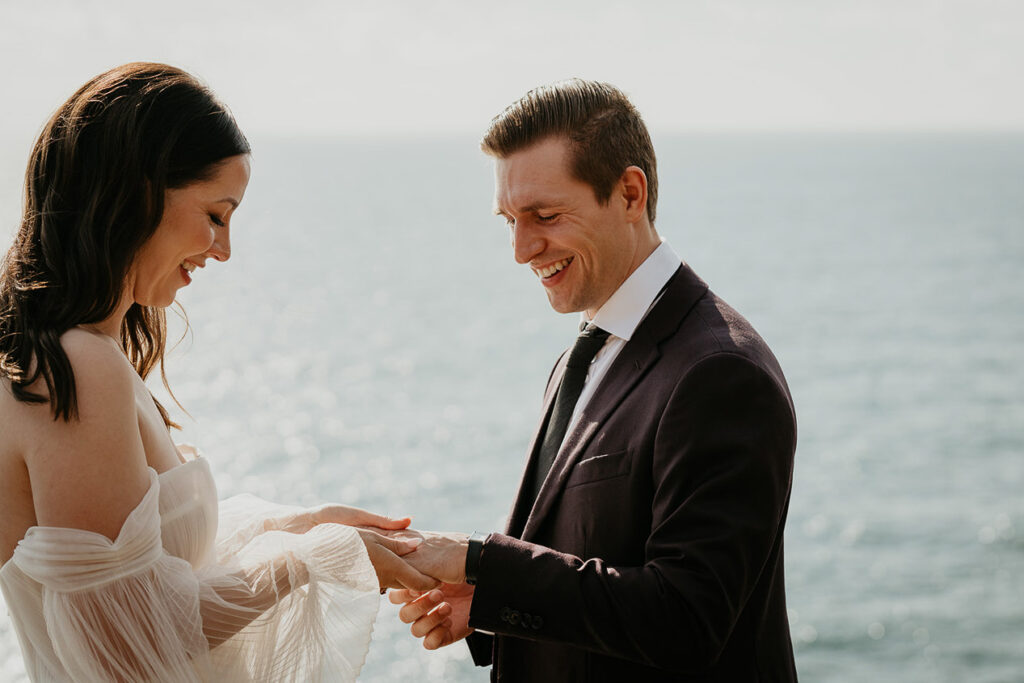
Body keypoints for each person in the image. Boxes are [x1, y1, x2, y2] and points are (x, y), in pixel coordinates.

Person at [0, 62, 437, 682]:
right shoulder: (77, 366)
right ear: (137, 191)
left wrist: (296, 525)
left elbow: (149, 565)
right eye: (216, 214)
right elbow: (128, 641)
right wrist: (311, 560)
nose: (223, 249)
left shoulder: (72, 355)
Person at [391, 80, 799, 682]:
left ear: (630, 193)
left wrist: (483, 562)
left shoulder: (721, 374)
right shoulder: (584, 354)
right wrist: (493, 605)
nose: (521, 249)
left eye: (545, 216)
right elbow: (590, 567)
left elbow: (686, 620)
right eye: (509, 220)